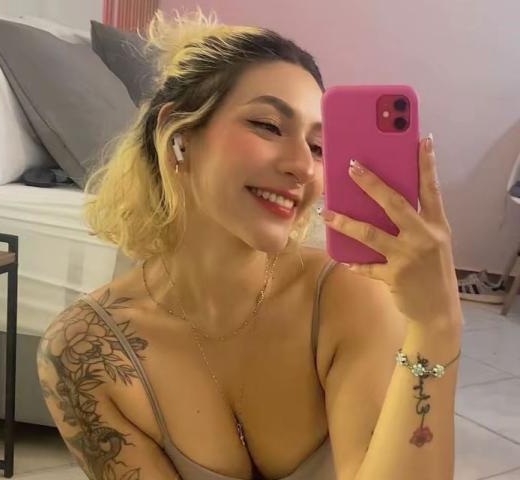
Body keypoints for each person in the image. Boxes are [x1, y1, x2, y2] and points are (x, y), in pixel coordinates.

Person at [37, 7, 461, 480]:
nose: (303, 166)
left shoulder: (349, 297)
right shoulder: (87, 350)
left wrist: (436, 326)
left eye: (319, 148)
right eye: (268, 126)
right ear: (179, 135)